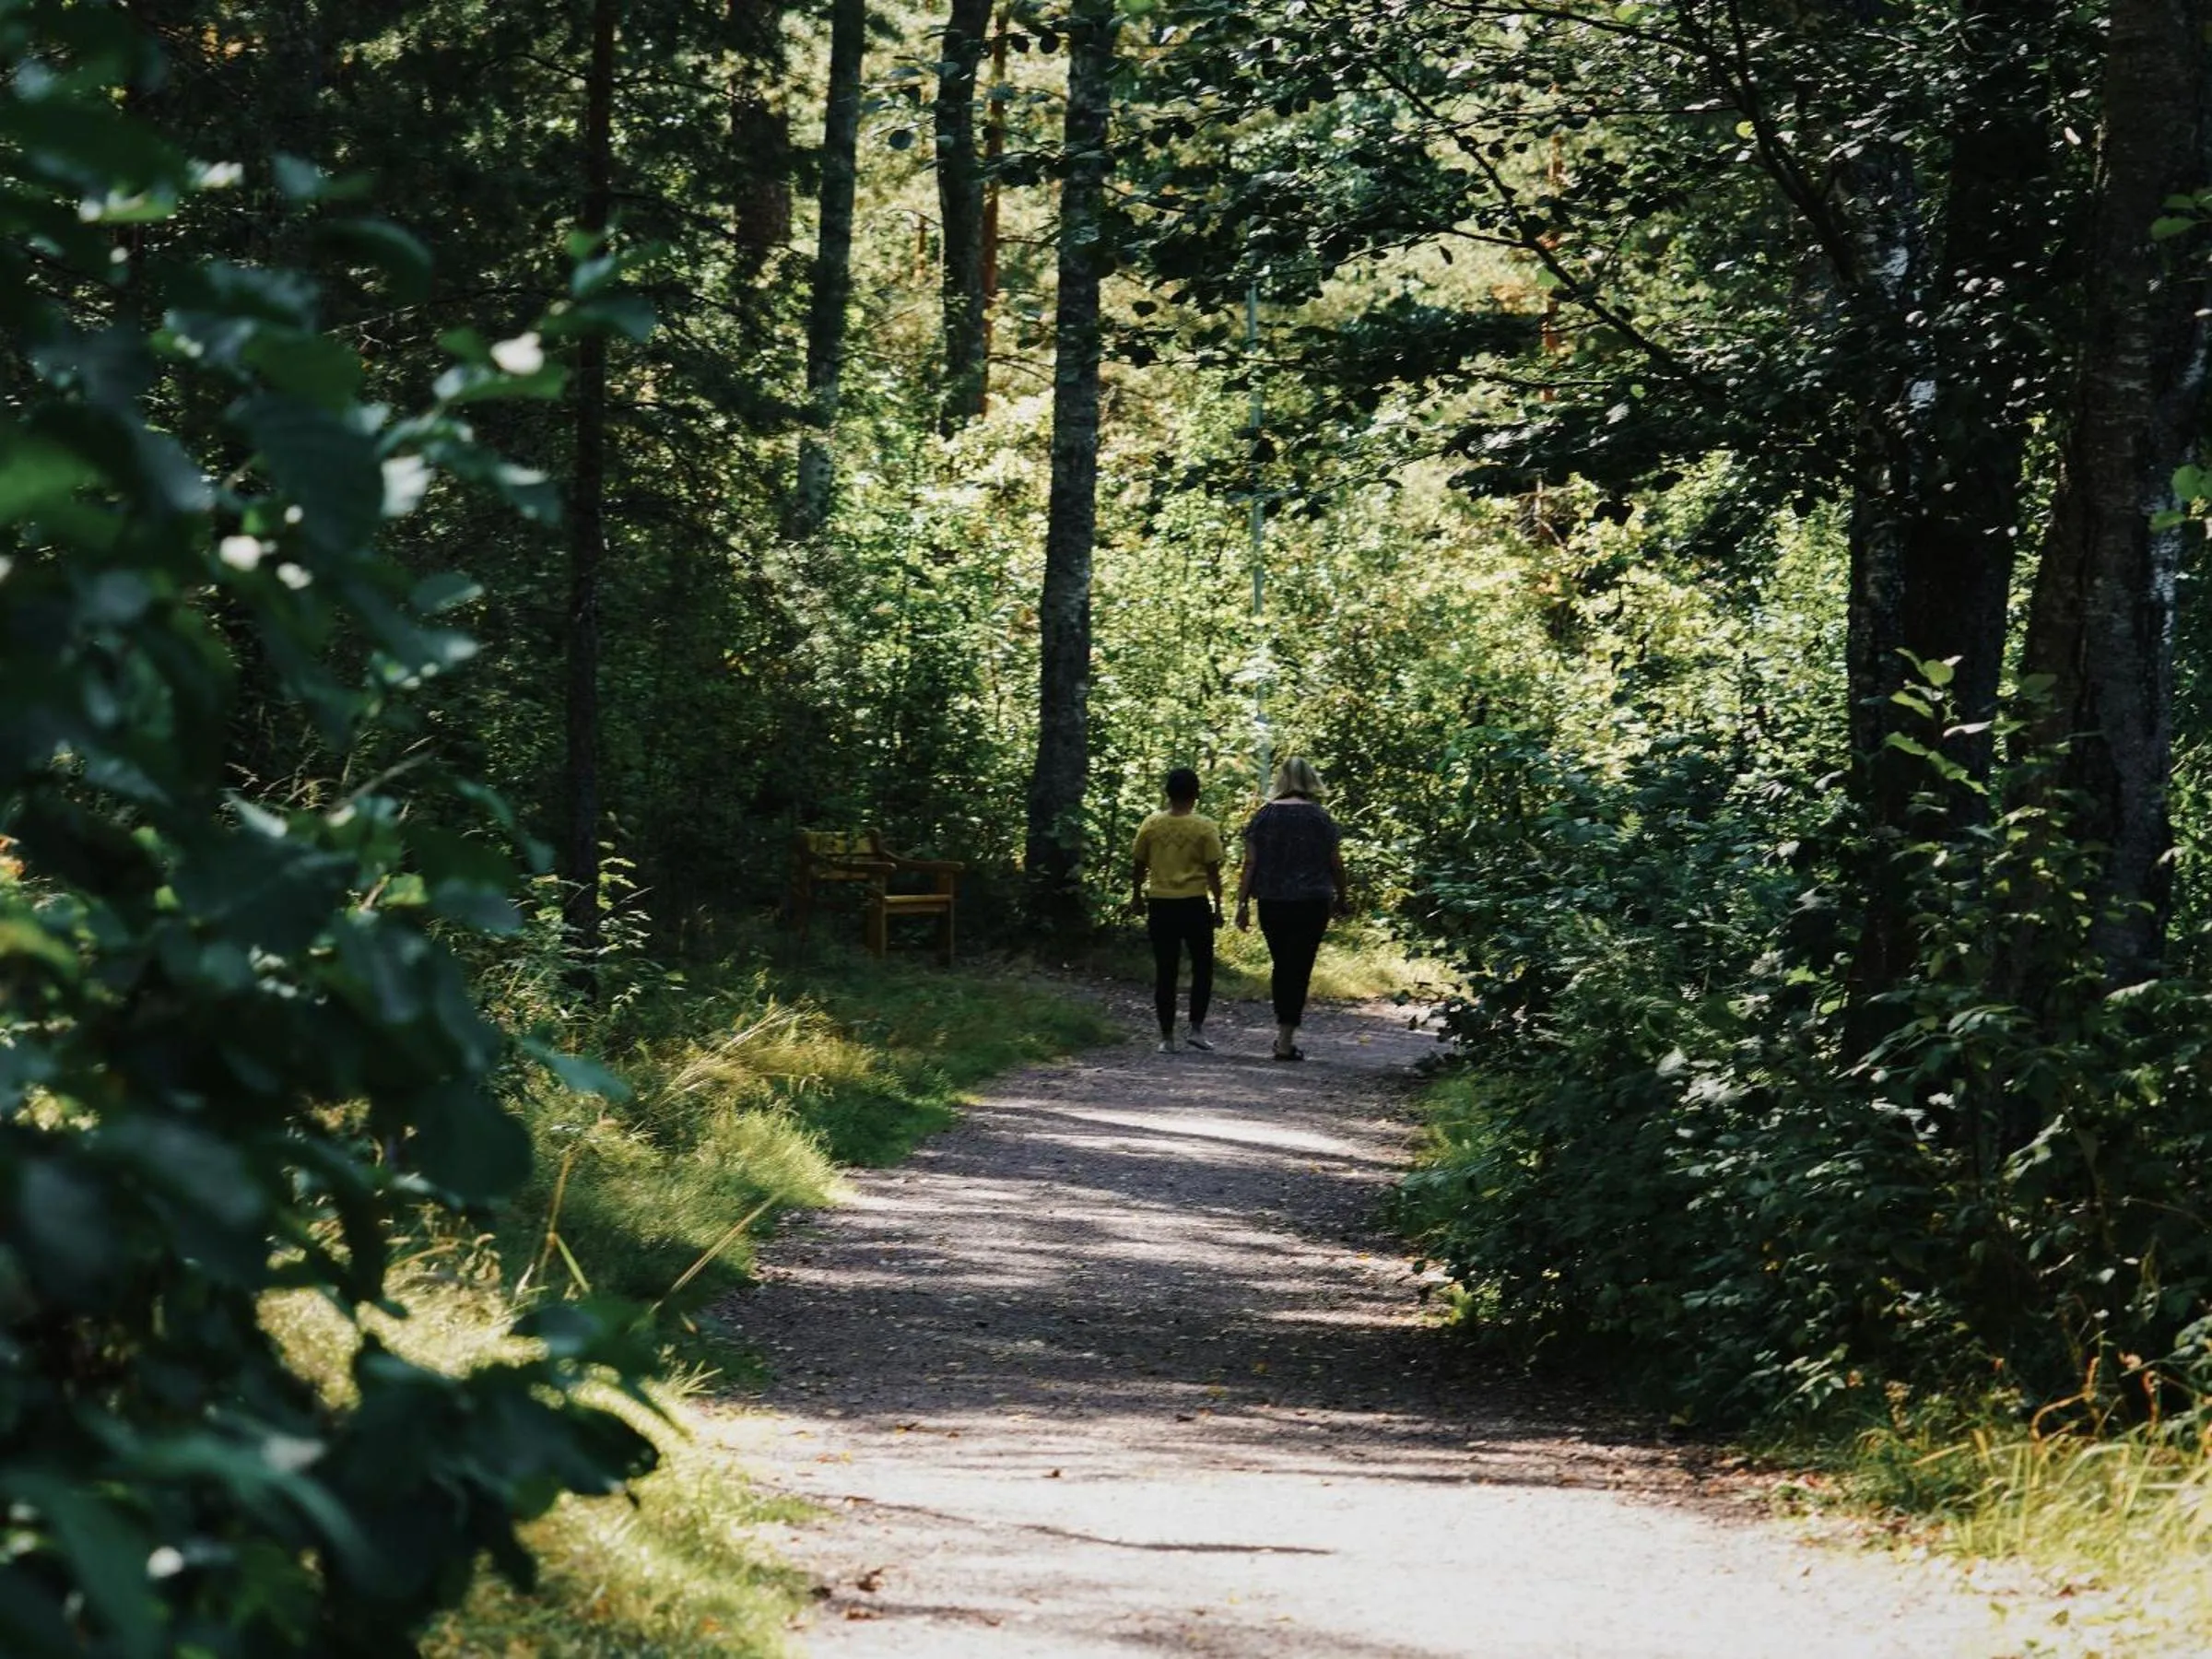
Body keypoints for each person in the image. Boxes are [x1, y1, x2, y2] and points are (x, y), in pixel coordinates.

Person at [1234, 757, 1347, 1061]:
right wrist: (1343, 896)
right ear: (1311, 780)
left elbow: (1250, 863)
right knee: (1300, 966)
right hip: (1312, 902)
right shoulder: (1320, 818)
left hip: (1272, 901)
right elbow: (1335, 861)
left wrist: (1242, 903)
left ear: (1280, 780)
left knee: (1282, 964)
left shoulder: (1264, 816)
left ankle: (1284, 1035)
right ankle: (1285, 1038)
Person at [1129, 766, 1225, 1054]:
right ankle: (1196, 1029)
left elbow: (1138, 864)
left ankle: (1166, 1036)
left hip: (1161, 903)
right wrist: (1219, 906)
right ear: (1196, 794)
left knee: (1165, 969)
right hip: (1194, 903)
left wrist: (1136, 897)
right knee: (1202, 967)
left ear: (1167, 793)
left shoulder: (1151, 824)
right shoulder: (1204, 826)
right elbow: (1213, 872)